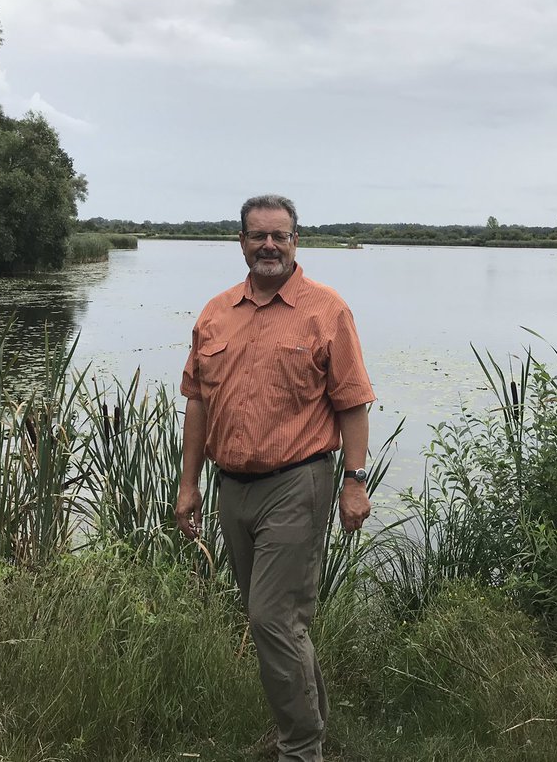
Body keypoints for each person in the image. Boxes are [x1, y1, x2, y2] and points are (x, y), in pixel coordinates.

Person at [175, 194, 374, 762]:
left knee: (269, 618)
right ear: (240, 242)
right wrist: (188, 487)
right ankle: (313, 727)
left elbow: (353, 403)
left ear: (295, 241)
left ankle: (300, 748)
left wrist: (353, 481)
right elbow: (197, 404)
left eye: (279, 236)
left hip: (298, 482)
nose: (268, 245)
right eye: (258, 235)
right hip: (230, 487)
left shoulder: (325, 310)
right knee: (280, 621)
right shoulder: (215, 314)